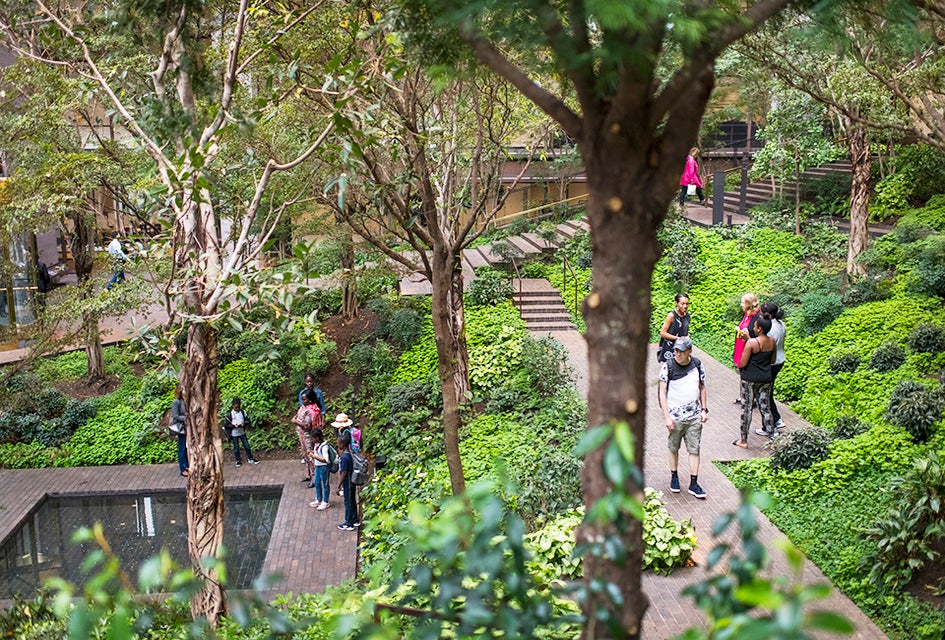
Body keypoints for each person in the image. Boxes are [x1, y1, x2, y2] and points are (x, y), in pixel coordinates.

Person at [657, 336, 708, 499]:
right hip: (675, 417)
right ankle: (674, 477)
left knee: (694, 449)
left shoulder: (697, 365)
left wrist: (704, 410)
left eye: (681, 351)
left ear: (689, 352)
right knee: (674, 447)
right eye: (676, 351)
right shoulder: (668, 366)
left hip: (694, 416)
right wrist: (666, 417)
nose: (677, 354)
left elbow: (702, 387)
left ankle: (694, 483)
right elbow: (662, 393)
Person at [734, 316, 776, 448]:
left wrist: (747, 343)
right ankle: (772, 438)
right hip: (765, 378)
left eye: (755, 326)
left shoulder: (752, 343)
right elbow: (773, 360)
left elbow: (742, 363)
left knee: (746, 408)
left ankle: (743, 440)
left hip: (749, 379)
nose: (753, 327)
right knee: (765, 407)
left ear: (759, 329)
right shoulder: (772, 341)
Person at [762, 302, 787, 430]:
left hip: (773, 362)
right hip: (780, 360)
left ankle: (775, 420)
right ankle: (775, 419)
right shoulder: (781, 324)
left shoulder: (772, 329)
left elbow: (768, 347)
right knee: (768, 391)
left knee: (766, 393)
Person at [732, 293, 761, 405]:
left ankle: (751, 398)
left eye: (743, 302)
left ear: (749, 304)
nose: (741, 305)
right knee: (742, 372)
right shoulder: (746, 315)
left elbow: (758, 335)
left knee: (748, 373)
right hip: (740, 346)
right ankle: (743, 396)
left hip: (748, 347)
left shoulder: (756, 317)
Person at [224, 397, 259, 467]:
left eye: (238, 407)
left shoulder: (243, 412)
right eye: (236, 407)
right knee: (236, 447)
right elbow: (226, 425)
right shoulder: (230, 414)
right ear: (233, 406)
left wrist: (244, 423)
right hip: (234, 433)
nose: (237, 408)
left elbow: (248, 421)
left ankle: (250, 458)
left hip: (242, 432)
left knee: (247, 445)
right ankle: (238, 460)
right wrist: (234, 426)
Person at [657, 294, 691, 362]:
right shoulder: (671, 316)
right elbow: (663, 333)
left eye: (687, 304)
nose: (685, 306)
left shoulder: (687, 316)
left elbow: (684, 331)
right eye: (682, 304)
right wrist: (679, 338)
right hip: (669, 348)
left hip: (681, 347)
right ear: (676, 303)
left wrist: (687, 337)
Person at [292, 393, 316, 484]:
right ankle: (308, 474)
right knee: (305, 455)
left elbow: (307, 426)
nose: (303, 401)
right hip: (301, 435)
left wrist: (296, 422)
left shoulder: (309, 411)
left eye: (305, 399)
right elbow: (294, 418)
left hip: (307, 436)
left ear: (309, 400)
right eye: (302, 399)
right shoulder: (302, 408)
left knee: (310, 455)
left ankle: (314, 478)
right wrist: (296, 421)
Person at [336, 432, 359, 531]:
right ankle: (355, 519)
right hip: (351, 482)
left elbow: (344, 472)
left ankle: (349, 523)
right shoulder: (349, 453)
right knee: (352, 500)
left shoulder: (345, 457)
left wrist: (339, 485)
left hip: (348, 482)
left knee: (348, 502)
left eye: (339, 443)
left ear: (342, 444)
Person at [308, 429, 332, 510]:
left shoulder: (324, 446)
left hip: (323, 467)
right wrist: (312, 452)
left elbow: (326, 459)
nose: (312, 440)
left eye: (313, 438)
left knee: (325, 484)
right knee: (317, 482)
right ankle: (319, 499)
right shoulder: (317, 444)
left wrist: (314, 456)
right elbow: (317, 452)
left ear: (317, 438)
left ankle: (325, 501)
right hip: (318, 466)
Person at [171, 388, 188, 477]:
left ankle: (187, 465)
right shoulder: (176, 402)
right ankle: (182, 468)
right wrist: (186, 417)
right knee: (182, 448)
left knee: (187, 447)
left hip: (188, 427)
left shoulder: (186, 401)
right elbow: (175, 416)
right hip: (181, 428)